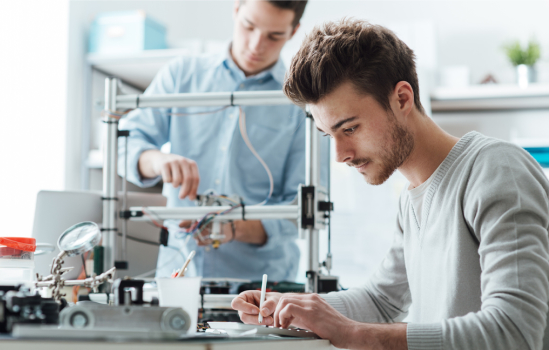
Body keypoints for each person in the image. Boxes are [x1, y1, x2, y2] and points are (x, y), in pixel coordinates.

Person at [232, 19, 549, 350]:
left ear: (401, 98)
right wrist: (290, 306)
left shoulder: (496, 169)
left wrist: (354, 334)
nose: (339, 155)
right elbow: (381, 301)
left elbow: (514, 330)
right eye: (329, 136)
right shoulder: (412, 197)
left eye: (350, 128)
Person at [118, 0, 308, 281]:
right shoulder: (182, 75)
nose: (256, 45)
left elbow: (305, 207)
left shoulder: (302, 102)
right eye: (249, 26)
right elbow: (123, 144)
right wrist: (158, 160)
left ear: (293, 32)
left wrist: (235, 228)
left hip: (262, 285)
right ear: (235, 10)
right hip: (177, 273)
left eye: (274, 36)